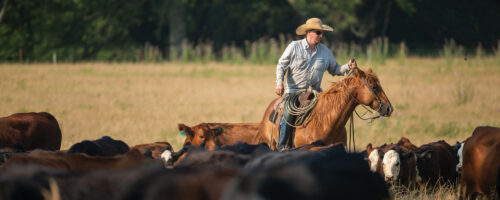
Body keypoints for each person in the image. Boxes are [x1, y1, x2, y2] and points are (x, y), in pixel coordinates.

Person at [275, 17, 357, 151]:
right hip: (294, 91)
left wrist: (348, 66)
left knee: (333, 113)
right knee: (289, 112)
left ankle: (330, 143)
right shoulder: (294, 47)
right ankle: (282, 146)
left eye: (321, 33)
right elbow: (281, 65)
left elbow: (335, 69)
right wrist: (279, 83)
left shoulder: (325, 52)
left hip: (316, 92)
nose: (320, 36)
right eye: (318, 32)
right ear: (308, 32)